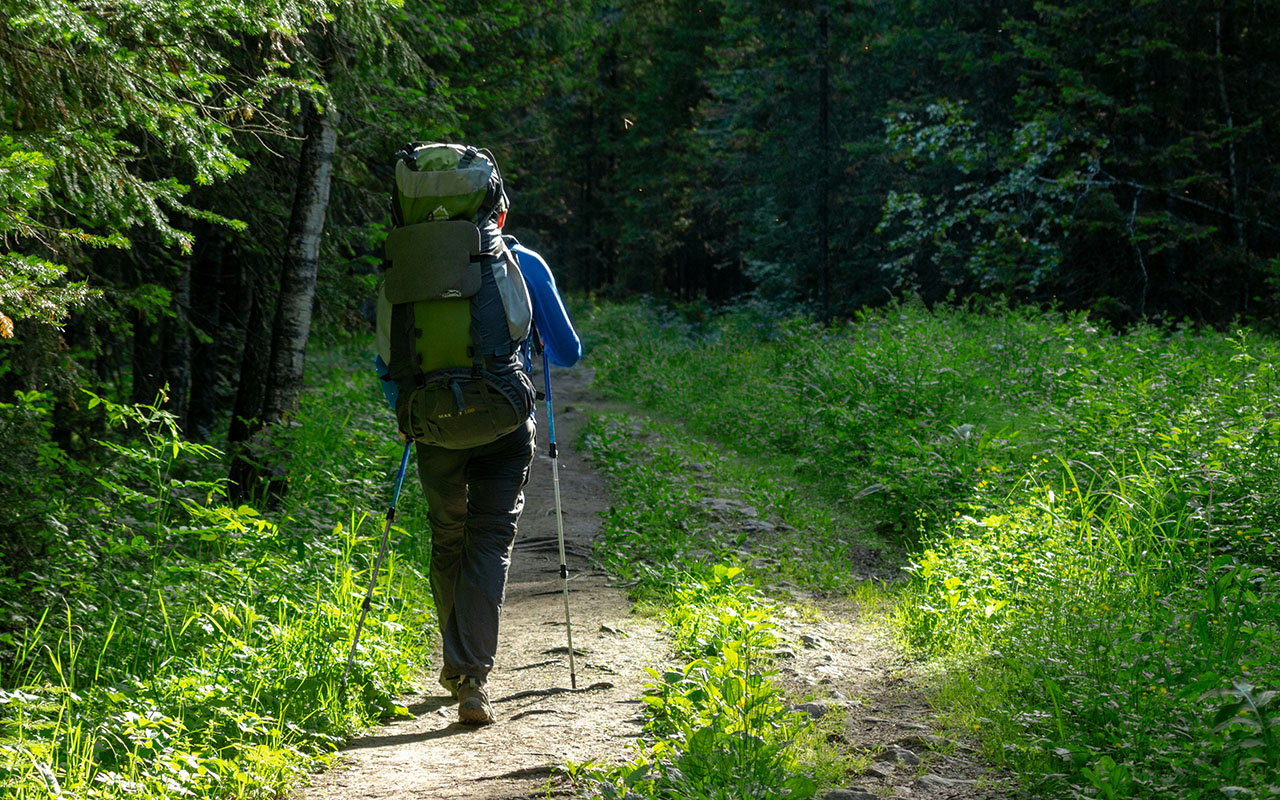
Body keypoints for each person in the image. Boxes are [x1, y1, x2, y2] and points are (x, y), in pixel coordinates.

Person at [374, 153, 580, 724]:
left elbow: (387, 361)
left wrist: (408, 412)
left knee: (448, 541)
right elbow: (568, 352)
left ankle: (457, 666)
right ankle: (471, 679)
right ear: (498, 210)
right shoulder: (522, 262)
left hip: (433, 425)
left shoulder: (405, 270)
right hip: (505, 421)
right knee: (489, 539)